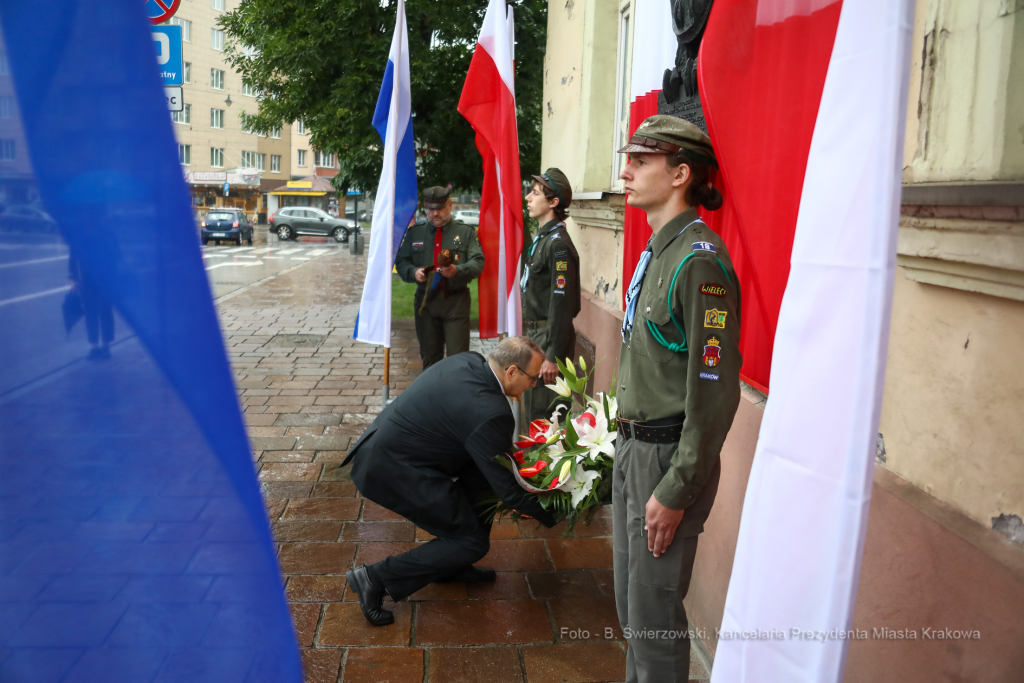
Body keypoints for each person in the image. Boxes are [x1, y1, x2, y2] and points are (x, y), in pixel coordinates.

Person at [613, 115, 741, 682]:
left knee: (654, 619)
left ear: (680, 173)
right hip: (633, 450)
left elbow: (713, 393)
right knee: (632, 610)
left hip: (665, 461)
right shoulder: (658, 251)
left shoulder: (699, 262)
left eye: (641, 161)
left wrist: (677, 486)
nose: (625, 171)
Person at [342, 337, 557, 626]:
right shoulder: (491, 412)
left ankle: (450, 563)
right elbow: (509, 491)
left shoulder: (469, 360)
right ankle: (375, 577)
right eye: (532, 378)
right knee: (471, 542)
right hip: (393, 469)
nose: (533, 386)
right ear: (512, 372)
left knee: (482, 479)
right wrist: (554, 511)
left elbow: (494, 471)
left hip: (396, 451)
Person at [394, 186, 485, 370]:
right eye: (430, 209)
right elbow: (402, 262)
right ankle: (433, 397)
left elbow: (478, 262)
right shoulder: (415, 233)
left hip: (455, 302)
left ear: (450, 205)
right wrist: (414, 272)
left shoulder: (465, 232)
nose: (434, 213)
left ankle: (456, 397)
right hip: (426, 303)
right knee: (429, 358)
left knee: (458, 360)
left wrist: (457, 270)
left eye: (440, 208)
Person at [520, 168, 581, 422]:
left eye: (535, 194)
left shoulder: (557, 244)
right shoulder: (543, 238)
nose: (527, 198)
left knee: (545, 418)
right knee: (533, 408)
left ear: (553, 202)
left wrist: (553, 356)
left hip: (548, 339)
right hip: (537, 334)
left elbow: (561, 303)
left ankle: (541, 462)